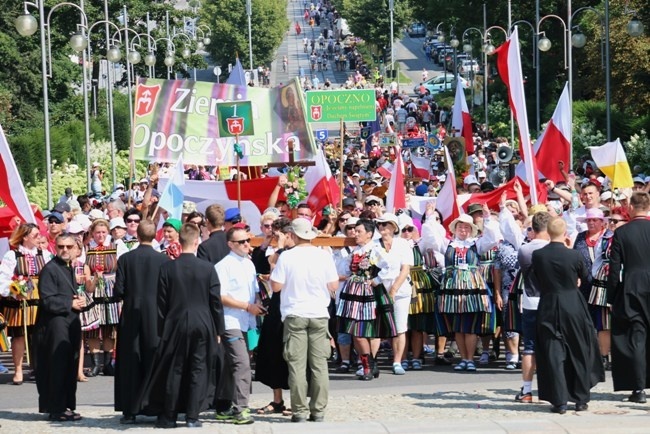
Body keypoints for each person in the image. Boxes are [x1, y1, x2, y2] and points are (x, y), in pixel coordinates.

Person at [138, 223, 225, 428]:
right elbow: (215, 301)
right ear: (196, 242)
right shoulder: (207, 268)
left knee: (174, 369)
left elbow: (161, 301)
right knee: (198, 369)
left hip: (175, 321)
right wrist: (218, 329)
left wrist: (162, 327)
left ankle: (169, 415)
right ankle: (193, 417)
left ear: (180, 241)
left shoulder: (168, 267)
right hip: (203, 322)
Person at [533, 217, 604, 414]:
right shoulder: (574, 255)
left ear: (548, 232)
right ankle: (581, 399)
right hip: (572, 303)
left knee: (553, 352)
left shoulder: (538, 255)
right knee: (579, 349)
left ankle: (559, 400)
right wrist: (576, 281)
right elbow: (586, 276)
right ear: (565, 233)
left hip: (548, 303)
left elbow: (535, 279)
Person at [271, 218, 338, 422]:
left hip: (295, 313)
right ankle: (318, 410)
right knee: (319, 365)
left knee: (297, 365)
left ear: (292, 235)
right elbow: (333, 285)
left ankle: (299, 411)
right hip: (318, 313)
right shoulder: (323, 255)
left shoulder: (287, 257)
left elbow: (276, 287)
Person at [113, 220, 170, 424]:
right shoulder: (163, 261)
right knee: (155, 359)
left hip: (131, 315)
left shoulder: (126, 259)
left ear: (137, 235)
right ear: (155, 236)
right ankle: (157, 406)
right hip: (156, 316)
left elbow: (118, 290)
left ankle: (129, 410)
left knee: (130, 361)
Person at [214, 227, 266, 425]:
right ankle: (241, 409)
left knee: (232, 364)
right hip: (230, 321)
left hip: (246, 320)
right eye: (241, 242)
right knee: (242, 364)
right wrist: (247, 306)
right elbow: (221, 296)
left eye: (248, 240)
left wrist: (258, 303)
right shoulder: (223, 265)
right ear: (230, 244)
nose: (246, 244)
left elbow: (254, 291)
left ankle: (223, 404)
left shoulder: (249, 264)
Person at [35, 233, 86, 421]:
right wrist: (69, 304)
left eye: (69, 247)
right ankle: (56, 408)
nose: (65, 250)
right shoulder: (50, 269)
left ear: (75, 249)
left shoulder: (68, 267)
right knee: (56, 366)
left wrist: (78, 301)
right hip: (54, 325)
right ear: (55, 247)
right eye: (61, 246)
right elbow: (47, 300)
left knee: (69, 366)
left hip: (68, 323)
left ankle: (65, 405)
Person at [608, 191, 650, 403]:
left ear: (631, 208)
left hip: (632, 287)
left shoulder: (622, 233)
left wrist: (612, 295)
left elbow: (614, 269)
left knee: (637, 337)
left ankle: (639, 388)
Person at [0, 223, 52, 385]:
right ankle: (18, 370)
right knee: (19, 336)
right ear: (25, 237)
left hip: (39, 300)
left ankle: (39, 368)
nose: (39, 238)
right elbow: (3, 279)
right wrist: (14, 290)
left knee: (40, 336)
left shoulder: (45, 254)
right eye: (36, 235)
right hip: (19, 300)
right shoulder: (12, 255)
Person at [515, 211, 551, 403]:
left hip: (530, 300)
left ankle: (527, 390)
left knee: (529, 346)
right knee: (551, 345)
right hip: (549, 301)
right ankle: (551, 388)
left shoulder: (525, 250)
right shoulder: (553, 248)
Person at [83, 219, 119, 377]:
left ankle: (107, 363)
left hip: (111, 288)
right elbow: (84, 270)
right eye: (98, 232)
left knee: (109, 327)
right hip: (93, 288)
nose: (101, 235)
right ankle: (96, 364)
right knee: (94, 327)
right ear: (92, 233)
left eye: (103, 232)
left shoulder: (116, 248)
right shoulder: (87, 250)